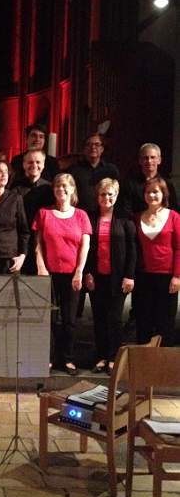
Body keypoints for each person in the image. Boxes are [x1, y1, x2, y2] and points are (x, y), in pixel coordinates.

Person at [33, 173, 91, 375]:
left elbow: (85, 246)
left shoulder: (81, 215)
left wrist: (79, 271)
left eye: (65, 185)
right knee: (48, 319)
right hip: (48, 273)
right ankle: (48, 358)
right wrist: (41, 266)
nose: (61, 189)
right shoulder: (44, 213)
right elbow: (38, 243)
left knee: (69, 319)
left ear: (73, 189)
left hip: (72, 274)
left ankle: (68, 359)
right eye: (58, 185)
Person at [84, 179, 136, 373]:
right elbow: (85, 249)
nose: (106, 198)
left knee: (114, 320)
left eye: (110, 194)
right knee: (99, 319)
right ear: (97, 196)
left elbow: (133, 250)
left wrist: (129, 276)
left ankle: (113, 357)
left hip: (118, 278)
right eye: (103, 194)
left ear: (116, 195)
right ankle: (101, 356)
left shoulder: (125, 218)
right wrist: (87, 273)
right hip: (96, 277)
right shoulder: (90, 217)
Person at [134, 176, 180, 346]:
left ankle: (162, 359)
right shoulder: (137, 217)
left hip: (167, 277)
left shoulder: (174, 217)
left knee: (165, 322)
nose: (151, 195)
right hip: (143, 276)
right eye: (148, 192)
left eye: (155, 191)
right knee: (144, 319)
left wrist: (177, 276)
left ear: (163, 194)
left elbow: (179, 248)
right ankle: (143, 359)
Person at [11, 149, 54, 274]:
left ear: (43, 165)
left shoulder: (50, 189)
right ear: (24, 164)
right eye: (30, 162)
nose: (34, 165)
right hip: (18, 242)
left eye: (38, 162)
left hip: (43, 242)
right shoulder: (14, 188)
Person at [68, 133, 120, 214]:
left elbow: (118, 194)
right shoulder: (74, 170)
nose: (93, 147)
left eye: (97, 144)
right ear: (84, 149)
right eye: (89, 144)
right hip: (80, 214)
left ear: (102, 149)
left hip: (105, 215)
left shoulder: (111, 170)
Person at [121, 142, 178, 216]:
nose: (149, 161)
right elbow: (126, 211)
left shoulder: (167, 184)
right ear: (140, 160)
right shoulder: (129, 184)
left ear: (159, 160)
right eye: (145, 158)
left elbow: (173, 210)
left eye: (153, 157)